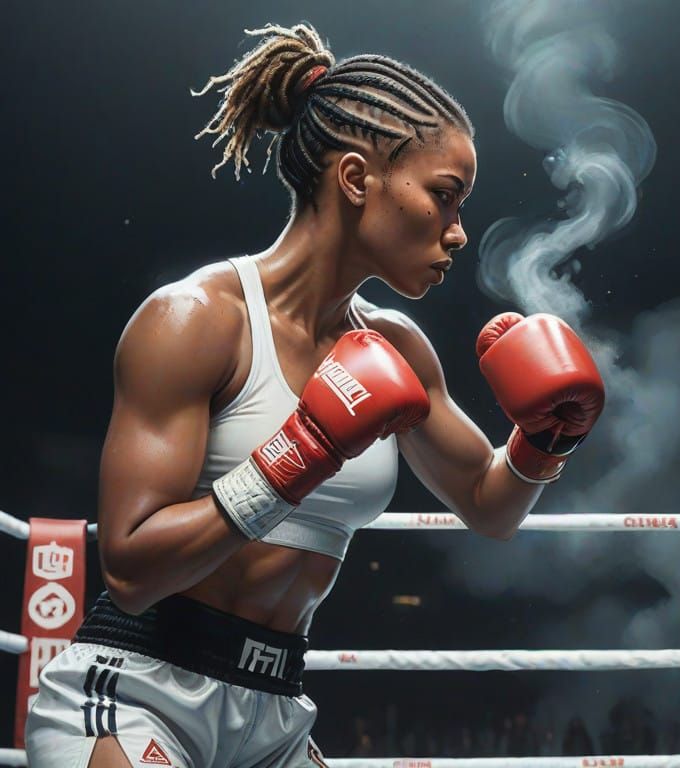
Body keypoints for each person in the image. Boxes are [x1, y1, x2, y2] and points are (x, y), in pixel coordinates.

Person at [25, 23, 605, 768]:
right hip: (138, 689)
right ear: (358, 179)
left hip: (274, 712)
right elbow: (132, 573)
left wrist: (543, 439)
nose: (458, 233)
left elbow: (490, 506)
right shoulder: (197, 321)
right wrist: (302, 451)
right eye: (444, 197)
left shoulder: (398, 346)